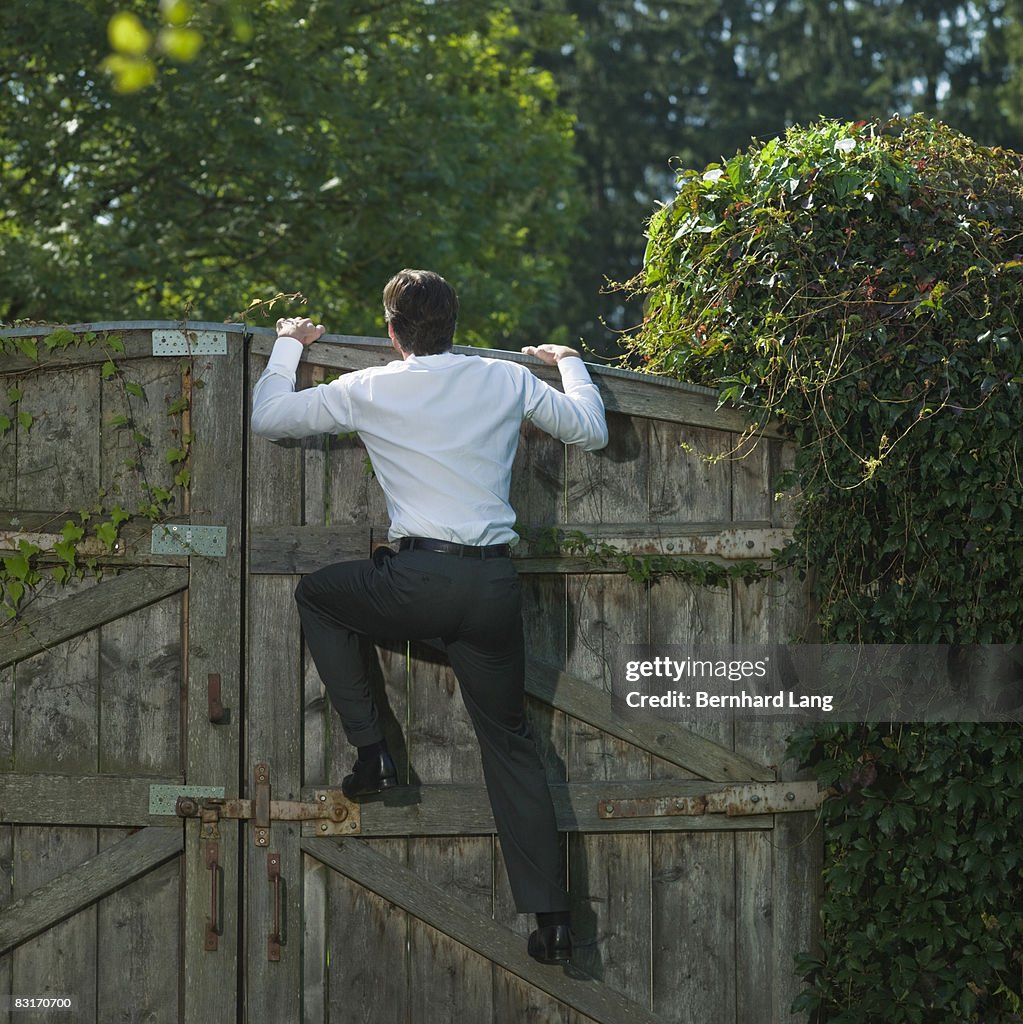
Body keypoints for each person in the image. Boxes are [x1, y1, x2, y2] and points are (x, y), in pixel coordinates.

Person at [250, 269, 608, 965]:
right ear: (453, 325)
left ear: (391, 332)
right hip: (492, 588)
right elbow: (589, 432)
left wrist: (289, 345)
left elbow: (269, 419)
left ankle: (374, 754)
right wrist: (570, 361)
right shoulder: (502, 380)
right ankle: (553, 921)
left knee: (318, 596)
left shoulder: (371, 386)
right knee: (511, 747)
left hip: (416, 583)